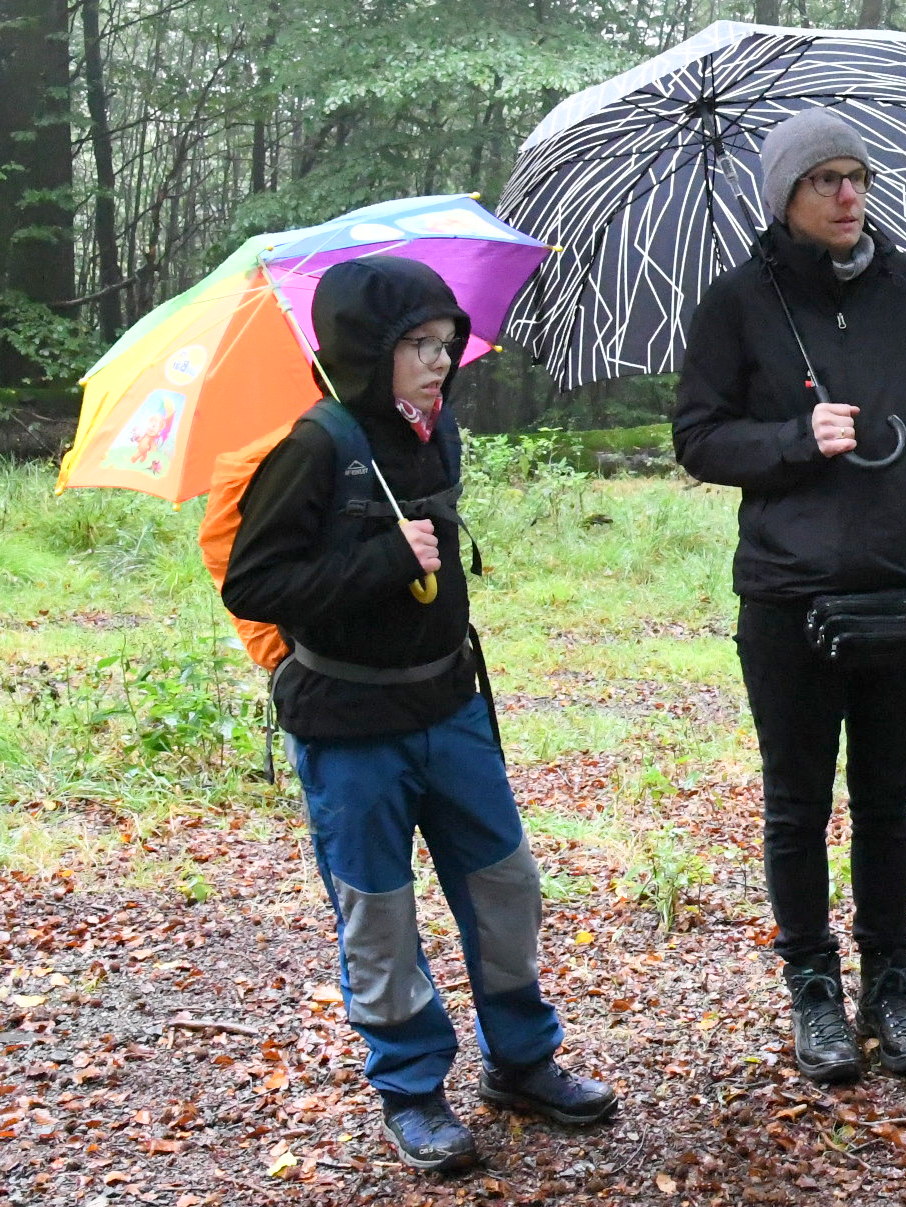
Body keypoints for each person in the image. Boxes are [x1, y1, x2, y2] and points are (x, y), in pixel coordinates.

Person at [223, 256, 614, 1173]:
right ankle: (411, 1088)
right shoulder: (312, 445)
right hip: (349, 724)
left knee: (506, 885)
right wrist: (382, 559)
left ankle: (522, 1060)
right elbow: (256, 583)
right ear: (368, 348)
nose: (439, 361)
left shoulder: (432, 434)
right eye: (416, 344)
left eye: (445, 343)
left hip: (448, 706)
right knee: (380, 912)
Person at [674, 109, 906, 1085]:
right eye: (826, 181)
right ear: (787, 196)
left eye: (858, 178)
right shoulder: (737, 303)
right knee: (798, 803)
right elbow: (697, 437)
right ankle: (814, 989)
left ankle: (890, 987)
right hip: (788, 596)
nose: (849, 195)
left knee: (889, 799)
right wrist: (795, 439)